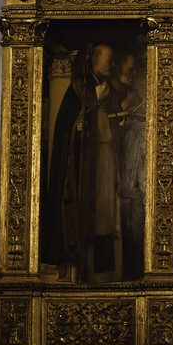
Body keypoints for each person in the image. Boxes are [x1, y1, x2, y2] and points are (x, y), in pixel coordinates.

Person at [43, 43, 122, 283]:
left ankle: (103, 273)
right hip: (83, 166)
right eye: (108, 59)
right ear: (94, 61)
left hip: (105, 158)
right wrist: (88, 113)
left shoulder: (112, 89)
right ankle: (75, 268)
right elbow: (66, 128)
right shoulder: (78, 88)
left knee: (105, 215)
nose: (112, 64)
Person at [106, 49, 146, 279]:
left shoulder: (133, 94)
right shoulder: (115, 95)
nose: (131, 73)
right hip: (125, 181)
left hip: (137, 181)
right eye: (128, 68)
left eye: (134, 69)